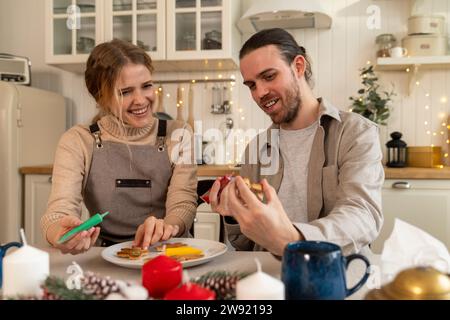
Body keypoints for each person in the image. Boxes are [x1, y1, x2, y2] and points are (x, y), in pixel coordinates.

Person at [211, 28, 384, 257]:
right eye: (251, 85)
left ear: (298, 67)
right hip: (271, 278)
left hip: (337, 274)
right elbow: (246, 246)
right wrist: (235, 213)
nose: (260, 92)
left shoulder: (355, 133)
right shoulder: (256, 148)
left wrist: (294, 240)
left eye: (269, 76)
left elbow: (363, 216)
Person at [41, 39, 197, 255]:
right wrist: (59, 232)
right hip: (105, 255)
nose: (141, 100)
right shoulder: (77, 140)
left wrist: (168, 227)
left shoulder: (180, 134)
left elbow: (184, 202)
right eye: (125, 92)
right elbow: (58, 211)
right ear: (100, 97)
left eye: (147, 86)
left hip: (167, 251)